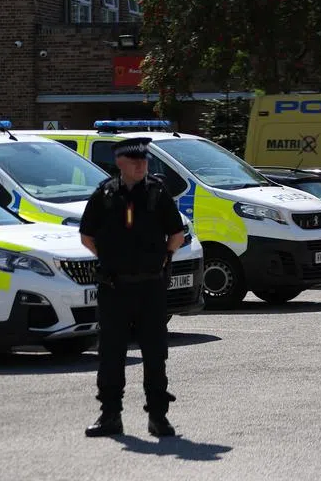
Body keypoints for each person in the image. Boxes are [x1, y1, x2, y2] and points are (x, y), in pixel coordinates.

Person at [78, 137, 185, 438]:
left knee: (155, 353)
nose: (142, 165)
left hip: (150, 287)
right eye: (135, 161)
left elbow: (176, 234)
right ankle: (110, 415)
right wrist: (111, 260)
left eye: (145, 161)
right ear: (120, 163)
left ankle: (158, 417)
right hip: (115, 287)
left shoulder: (157, 192)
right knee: (111, 353)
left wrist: (162, 259)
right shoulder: (105, 194)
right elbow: (87, 236)